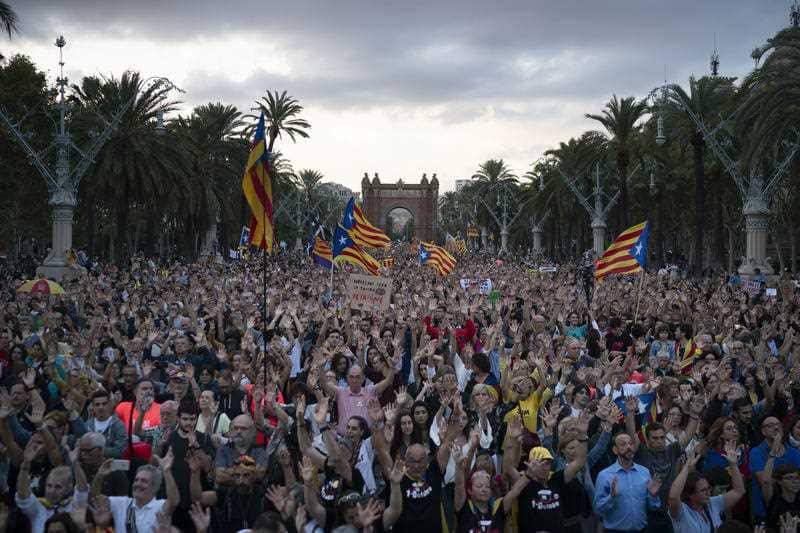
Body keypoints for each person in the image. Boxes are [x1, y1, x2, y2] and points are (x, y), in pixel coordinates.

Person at [92, 452, 180, 533]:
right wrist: (100, 475)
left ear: (154, 487)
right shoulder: (121, 503)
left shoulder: (159, 506)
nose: (138, 484)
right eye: (136, 480)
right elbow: (96, 497)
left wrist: (166, 471)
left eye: (144, 481)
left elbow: (174, 500)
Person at [593, 433, 662, 533]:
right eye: (623, 444)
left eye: (630, 443)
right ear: (615, 450)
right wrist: (611, 498)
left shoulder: (644, 472)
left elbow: (654, 506)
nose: (628, 447)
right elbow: (598, 510)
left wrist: (653, 495)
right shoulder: (605, 476)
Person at [15, 439, 88, 533]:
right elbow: (22, 494)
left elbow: (82, 489)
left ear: (69, 488)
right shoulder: (38, 507)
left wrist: (75, 464)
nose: (51, 491)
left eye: (58, 487)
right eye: (49, 486)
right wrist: (25, 464)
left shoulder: (74, 506)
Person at [668, 444, 745, 533]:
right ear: (690, 494)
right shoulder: (681, 512)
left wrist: (733, 465)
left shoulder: (712, 503)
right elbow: (673, 497)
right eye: (703, 490)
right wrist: (686, 468)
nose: (708, 493)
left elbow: (739, 491)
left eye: (708, 488)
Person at [84, 390, 127, 458]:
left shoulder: (119, 425)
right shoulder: (87, 425)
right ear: (92, 406)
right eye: (97, 404)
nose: (101, 407)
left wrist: (97, 452)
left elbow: (120, 451)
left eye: (104, 404)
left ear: (109, 404)